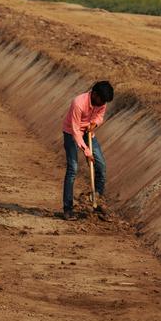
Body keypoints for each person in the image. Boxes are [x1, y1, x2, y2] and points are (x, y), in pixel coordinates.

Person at [62, 81, 114, 220]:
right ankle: (68, 208)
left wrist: (95, 123)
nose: (103, 103)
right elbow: (75, 131)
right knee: (73, 169)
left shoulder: (101, 101)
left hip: (88, 132)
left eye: (104, 102)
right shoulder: (78, 103)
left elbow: (99, 116)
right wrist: (86, 150)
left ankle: (97, 201)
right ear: (94, 94)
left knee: (101, 166)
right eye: (101, 100)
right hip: (72, 133)